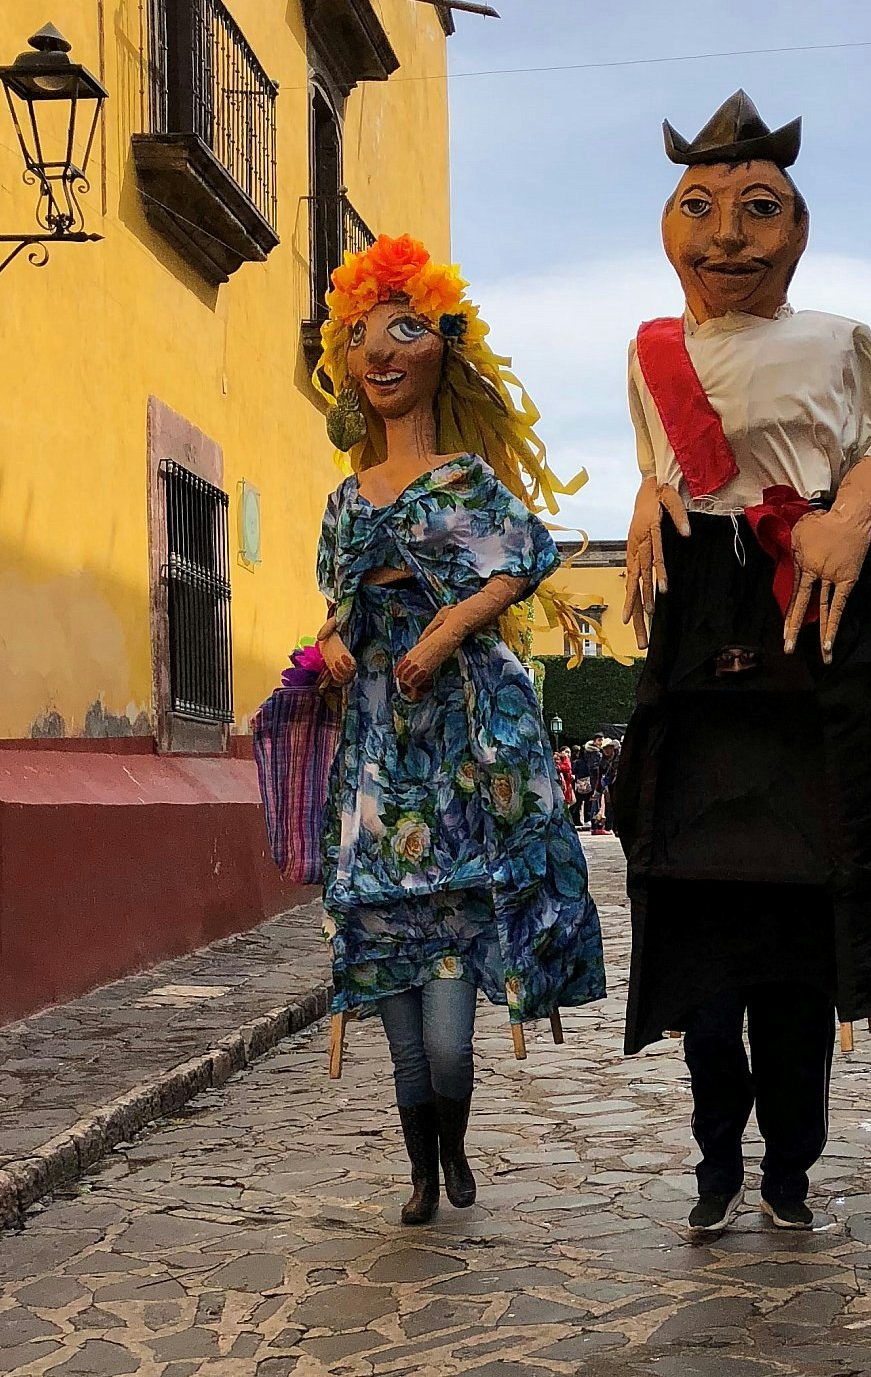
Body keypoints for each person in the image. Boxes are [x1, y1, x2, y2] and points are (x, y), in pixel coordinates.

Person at [613, 91, 871, 1237]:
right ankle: (714, 1158)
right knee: (705, 981)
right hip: (700, 638)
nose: (726, 235)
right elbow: (667, 467)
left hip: (807, 617)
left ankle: (790, 1166)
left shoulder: (840, 339)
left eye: (754, 208)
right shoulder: (649, 350)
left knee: (791, 986)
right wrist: (643, 503)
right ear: (672, 223)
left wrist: (851, 519)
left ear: (795, 224)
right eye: (701, 209)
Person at [309, 233, 608, 1226]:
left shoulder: (469, 482)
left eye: (400, 329)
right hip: (377, 761)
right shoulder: (345, 501)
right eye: (359, 335)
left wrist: (442, 632)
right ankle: (423, 1175)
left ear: (443, 343)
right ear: (344, 361)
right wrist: (333, 644)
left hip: (460, 764)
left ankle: (455, 1147)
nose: (378, 352)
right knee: (401, 1041)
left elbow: (520, 560)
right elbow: (333, 610)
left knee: (446, 1044)